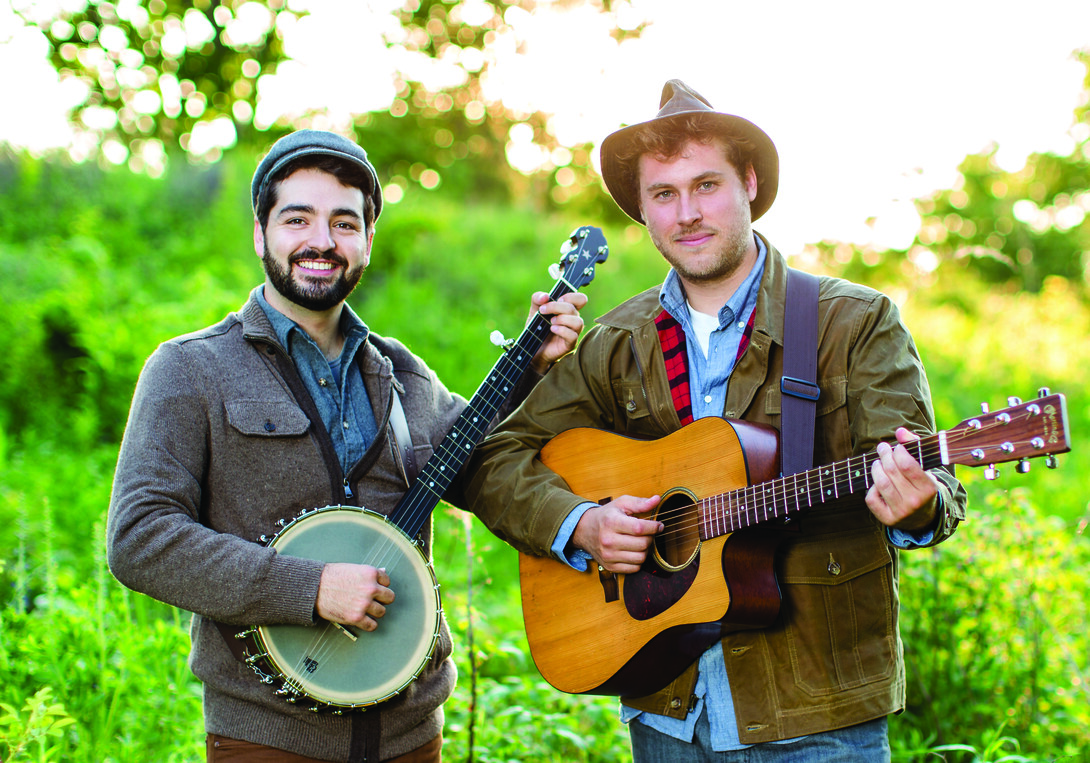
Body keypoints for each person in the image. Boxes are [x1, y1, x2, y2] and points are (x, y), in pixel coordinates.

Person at [463, 80, 967, 761]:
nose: (688, 213)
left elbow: (931, 486)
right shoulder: (617, 341)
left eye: (706, 185)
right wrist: (581, 523)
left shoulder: (853, 323)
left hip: (816, 715)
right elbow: (493, 457)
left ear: (750, 183)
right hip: (665, 707)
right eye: (664, 194)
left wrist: (915, 504)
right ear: (643, 210)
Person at [106, 129, 586, 763]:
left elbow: (480, 474)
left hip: (411, 736)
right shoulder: (190, 370)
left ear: (366, 241)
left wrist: (533, 369)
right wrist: (307, 588)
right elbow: (140, 538)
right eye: (297, 218)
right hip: (268, 739)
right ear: (261, 233)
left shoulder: (402, 373)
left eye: (344, 223)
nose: (321, 242)